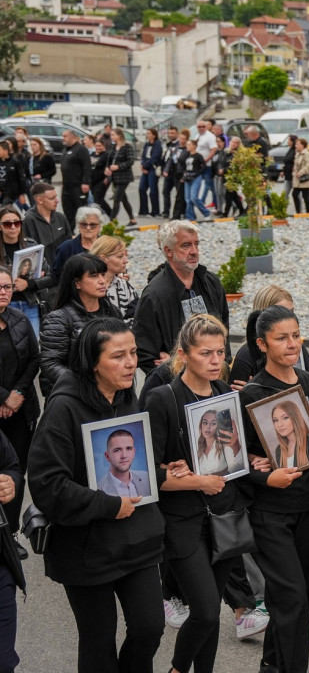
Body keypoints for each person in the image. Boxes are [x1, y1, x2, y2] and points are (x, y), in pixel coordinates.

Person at [28, 319, 165, 673]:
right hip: (85, 550)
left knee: (150, 628)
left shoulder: (125, 395)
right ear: (92, 362)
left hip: (136, 541)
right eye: (118, 356)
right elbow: (47, 484)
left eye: (133, 352)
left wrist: (162, 470)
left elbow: (139, 463)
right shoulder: (63, 407)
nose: (131, 362)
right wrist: (108, 504)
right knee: (98, 642)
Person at [142, 313, 251, 673]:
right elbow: (149, 474)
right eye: (206, 353)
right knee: (204, 611)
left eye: (220, 352)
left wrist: (250, 461)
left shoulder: (224, 394)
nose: (216, 360)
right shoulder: (163, 398)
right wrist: (196, 481)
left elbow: (232, 455)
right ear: (183, 353)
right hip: (183, 521)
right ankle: (176, 670)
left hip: (224, 514)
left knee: (213, 613)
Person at [239, 305, 309, 673]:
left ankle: (272, 664)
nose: (292, 344)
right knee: (290, 599)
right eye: (281, 338)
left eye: (295, 335)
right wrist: (264, 477)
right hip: (270, 512)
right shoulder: (250, 395)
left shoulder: (308, 383)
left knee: (298, 600)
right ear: (262, 344)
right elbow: (234, 463)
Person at [132, 220, 229, 374]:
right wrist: (170, 368)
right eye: (186, 245)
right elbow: (144, 351)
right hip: (177, 388)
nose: (194, 251)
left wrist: (225, 370)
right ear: (168, 251)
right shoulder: (154, 295)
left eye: (196, 244)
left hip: (216, 378)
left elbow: (224, 331)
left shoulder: (211, 283)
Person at [39, 254, 122, 399]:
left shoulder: (112, 311)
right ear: (77, 283)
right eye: (94, 276)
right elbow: (50, 363)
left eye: (103, 274)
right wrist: (84, 385)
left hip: (112, 393)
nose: (102, 281)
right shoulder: (59, 318)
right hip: (75, 397)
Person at [0, 268, 38, 538]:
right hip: (5, 403)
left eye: (8, 287)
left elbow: (34, 360)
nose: (4, 292)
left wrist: (17, 395)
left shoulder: (19, 319)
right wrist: (4, 397)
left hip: (19, 411)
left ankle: (10, 532)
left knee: (15, 474)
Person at [1, 205, 49, 337]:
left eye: (17, 223)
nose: (12, 227)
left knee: (32, 343)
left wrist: (29, 283)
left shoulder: (31, 245)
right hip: (5, 305)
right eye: (7, 224)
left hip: (30, 303)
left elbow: (49, 276)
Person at [22, 182, 71, 291]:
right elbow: (30, 252)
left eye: (56, 197)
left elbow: (69, 245)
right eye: (52, 198)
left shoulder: (61, 217)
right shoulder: (29, 221)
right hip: (46, 281)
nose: (57, 200)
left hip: (66, 277)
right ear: (39, 200)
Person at [88, 235, 137, 325]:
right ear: (103, 259)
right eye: (120, 256)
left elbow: (137, 319)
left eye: (125, 256)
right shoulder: (86, 287)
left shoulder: (125, 286)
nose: (126, 261)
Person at [96, 429, 151, 497]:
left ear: (133, 453)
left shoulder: (146, 477)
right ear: (107, 456)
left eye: (128, 448)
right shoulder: (98, 491)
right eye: (117, 450)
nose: (124, 456)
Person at [52, 204, 102, 276]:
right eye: (84, 224)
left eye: (92, 225)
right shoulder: (65, 248)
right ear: (78, 226)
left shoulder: (108, 246)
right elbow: (56, 276)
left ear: (99, 226)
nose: (88, 228)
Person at [60, 129, 92, 228]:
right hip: (66, 186)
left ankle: (87, 230)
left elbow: (87, 166)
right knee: (68, 210)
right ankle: (70, 232)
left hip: (78, 186)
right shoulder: (65, 149)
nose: (63, 138)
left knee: (81, 211)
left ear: (72, 137)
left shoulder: (81, 149)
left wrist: (86, 182)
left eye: (65, 136)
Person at [104, 129, 135, 225]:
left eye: (113, 135)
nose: (111, 137)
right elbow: (109, 160)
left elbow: (130, 161)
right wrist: (107, 168)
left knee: (116, 198)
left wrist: (119, 166)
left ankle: (112, 221)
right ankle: (132, 219)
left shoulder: (127, 147)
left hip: (124, 176)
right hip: (115, 177)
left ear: (119, 136)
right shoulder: (113, 147)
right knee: (123, 199)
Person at [139, 128, 162, 217]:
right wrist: (142, 165)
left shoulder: (157, 145)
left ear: (154, 135)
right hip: (145, 168)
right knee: (141, 188)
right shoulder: (146, 145)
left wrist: (145, 166)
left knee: (153, 190)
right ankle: (143, 210)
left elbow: (155, 157)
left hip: (152, 168)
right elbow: (143, 156)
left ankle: (155, 211)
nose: (147, 135)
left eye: (149, 133)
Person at [290, 137, 309, 214]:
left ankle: (308, 211)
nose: (296, 146)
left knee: (306, 196)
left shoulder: (306, 153)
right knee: (295, 194)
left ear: (303, 145)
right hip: (297, 179)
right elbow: (296, 165)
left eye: (298, 144)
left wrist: (301, 172)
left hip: (304, 179)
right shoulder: (297, 154)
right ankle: (298, 211)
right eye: (296, 144)